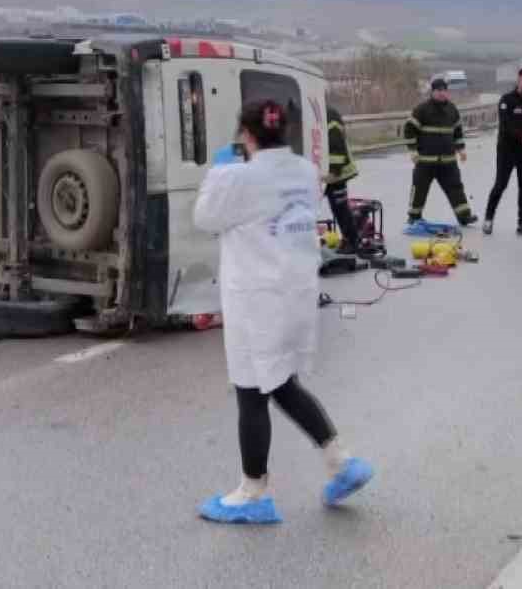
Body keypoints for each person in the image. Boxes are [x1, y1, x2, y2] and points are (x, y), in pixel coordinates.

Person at [193, 100, 375, 525]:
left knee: (252, 390)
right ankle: (340, 461)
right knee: (281, 384)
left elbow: (205, 217)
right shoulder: (305, 172)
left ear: (246, 134)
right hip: (295, 296)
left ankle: (252, 491)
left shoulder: (237, 177)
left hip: (257, 301)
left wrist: (219, 172)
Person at [483, 68, 522, 236]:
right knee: (500, 184)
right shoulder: (507, 100)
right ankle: (488, 219)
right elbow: (506, 125)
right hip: (507, 150)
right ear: (518, 81)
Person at [404, 79, 475, 226]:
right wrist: (412, 151)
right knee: (420, 189)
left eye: (444, 90)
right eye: (439, 91)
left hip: (448, 161)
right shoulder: (422, 109)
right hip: (425, 161)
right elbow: (409, 129)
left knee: (456, 188)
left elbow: (457, 131)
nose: (442, 93)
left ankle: (464, 216)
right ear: (433, 92)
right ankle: (414, 216)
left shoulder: (452, 109)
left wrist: (461, 149)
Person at [323, 104, 362, 252]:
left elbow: (336, 145)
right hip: (326, 171)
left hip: (336, 172)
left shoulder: (329, 114)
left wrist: (334, 172)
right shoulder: (316, 113)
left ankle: (352, 241)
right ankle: (351, 239)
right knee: (339, 208)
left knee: (340, 209)